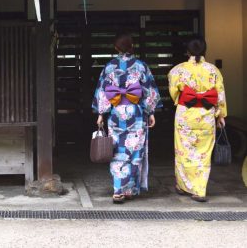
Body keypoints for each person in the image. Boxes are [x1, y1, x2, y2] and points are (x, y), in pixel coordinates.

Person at [92, 32, 161, 204]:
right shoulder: (141, 66)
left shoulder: (109, 67)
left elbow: (103, 91)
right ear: (132, 47)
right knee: (134, 151)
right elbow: (148, 91)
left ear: (116, 48)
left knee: (117, 151)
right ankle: (129, 189)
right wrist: (150, 112)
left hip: (116, 114)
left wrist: (101, 113)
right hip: (136, 113)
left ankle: (118, 190)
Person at [168, 36, 227, 202]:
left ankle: (183, 185)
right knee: (203, 153)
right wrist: (220, 114)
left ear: (187, 51)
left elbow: (174, 93)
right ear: (205, 51)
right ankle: (199, 190)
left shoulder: (177, 70)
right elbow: (220, 94)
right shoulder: (213, 70)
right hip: (206, 114)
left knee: (183, 150)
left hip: (185, 114)